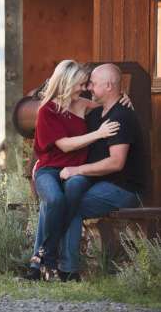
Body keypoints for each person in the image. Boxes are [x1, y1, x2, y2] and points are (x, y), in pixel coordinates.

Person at [26, 60, 132, 281]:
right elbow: (64, 145)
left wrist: (124, 99)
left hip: (76, 171)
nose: (85, 89)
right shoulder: (47, 111)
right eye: (81, 84)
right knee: (54, 199)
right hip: (48, 170)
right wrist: (98, 134)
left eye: (87, 84)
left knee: (71, 195)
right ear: (67, 83)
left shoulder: (82, 104)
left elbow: (109, 105)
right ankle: (44, 260)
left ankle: (43, 263)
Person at [57, 63, 145, 282]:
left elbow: (116, 163)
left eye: (94, 84)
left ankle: (68, 272)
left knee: (71, 205)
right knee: (61, 200)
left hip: (124, 189)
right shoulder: (96, 115)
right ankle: (54, 264)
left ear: (108, 86)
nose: (89, 88)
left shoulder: (121, 117)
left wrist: (76, 170)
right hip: (100, 184)